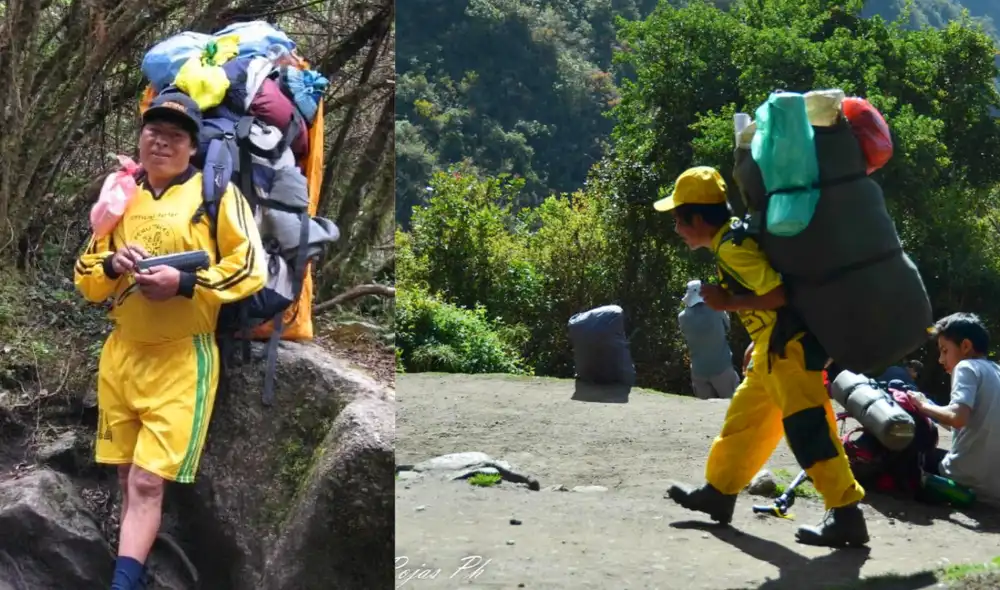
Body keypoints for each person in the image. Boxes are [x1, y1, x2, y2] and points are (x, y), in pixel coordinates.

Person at [74, 91, 268, 590]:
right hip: (121, 356)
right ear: (140, 138)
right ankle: (132, 568)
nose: (161, 142)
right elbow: (85, 276)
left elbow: (250, 267)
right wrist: (114, 265)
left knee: (145, 480)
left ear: (192, 147)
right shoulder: (122, 194)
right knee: (124, 476)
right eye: (153, 132)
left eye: (175, 136)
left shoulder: (217, 195)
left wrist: (184, 284)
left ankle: (123, 584)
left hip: (183, 359)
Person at [654, 166, 868, 548]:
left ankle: (847, 513)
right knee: (744, 421)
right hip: (772, 349)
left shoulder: (734, 247)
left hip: (790, 351)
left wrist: (729, 303)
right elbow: (771, 298)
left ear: (698, 218)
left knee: (809, 429)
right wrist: (758, 336)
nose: (677, 228)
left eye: (678, 220)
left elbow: (780, 294)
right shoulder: (730, 241)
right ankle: (719, 492)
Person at [905, 313, 1000, 505]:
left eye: (944, 350)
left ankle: (950, 488)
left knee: (907, 453)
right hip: (995, 486)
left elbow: (957, 418)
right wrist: (930, 407)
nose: (941, 359)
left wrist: (922, 406)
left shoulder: (966, 367)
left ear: (965, 346)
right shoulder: (995, 371)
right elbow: (970, 423)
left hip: (967, 478)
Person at [678, 279, 739, 399]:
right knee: (732, 407)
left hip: (698, 371)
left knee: (707, 412)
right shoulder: (717, 310)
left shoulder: (682, 317)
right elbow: (727, 327)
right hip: (722, 368)